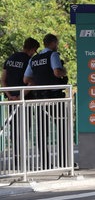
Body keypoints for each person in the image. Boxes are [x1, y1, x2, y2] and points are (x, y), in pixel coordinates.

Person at [23, 34, 68, 169]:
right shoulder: (53, 55)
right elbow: (56, 73)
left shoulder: (34, 59)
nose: (57, 45)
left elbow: (26, 80)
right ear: (53, 43)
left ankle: (46, 163)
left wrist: (38, 83)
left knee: (42, 132)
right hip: (55, 98)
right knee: (62, 129)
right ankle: (64, 161)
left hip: (39, 99)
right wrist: (63, 72)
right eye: (57, 43)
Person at [1, 37, 40, 169]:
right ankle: (22, 162)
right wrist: (20, 96)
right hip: (25, 101)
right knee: (24, 129)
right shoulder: (29, 60)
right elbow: (31, 82)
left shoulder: (10, 59)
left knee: (15, 130)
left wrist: (10, 96)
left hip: (11, 100)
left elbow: (3, 80)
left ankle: (17, 160)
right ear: (33, 49)